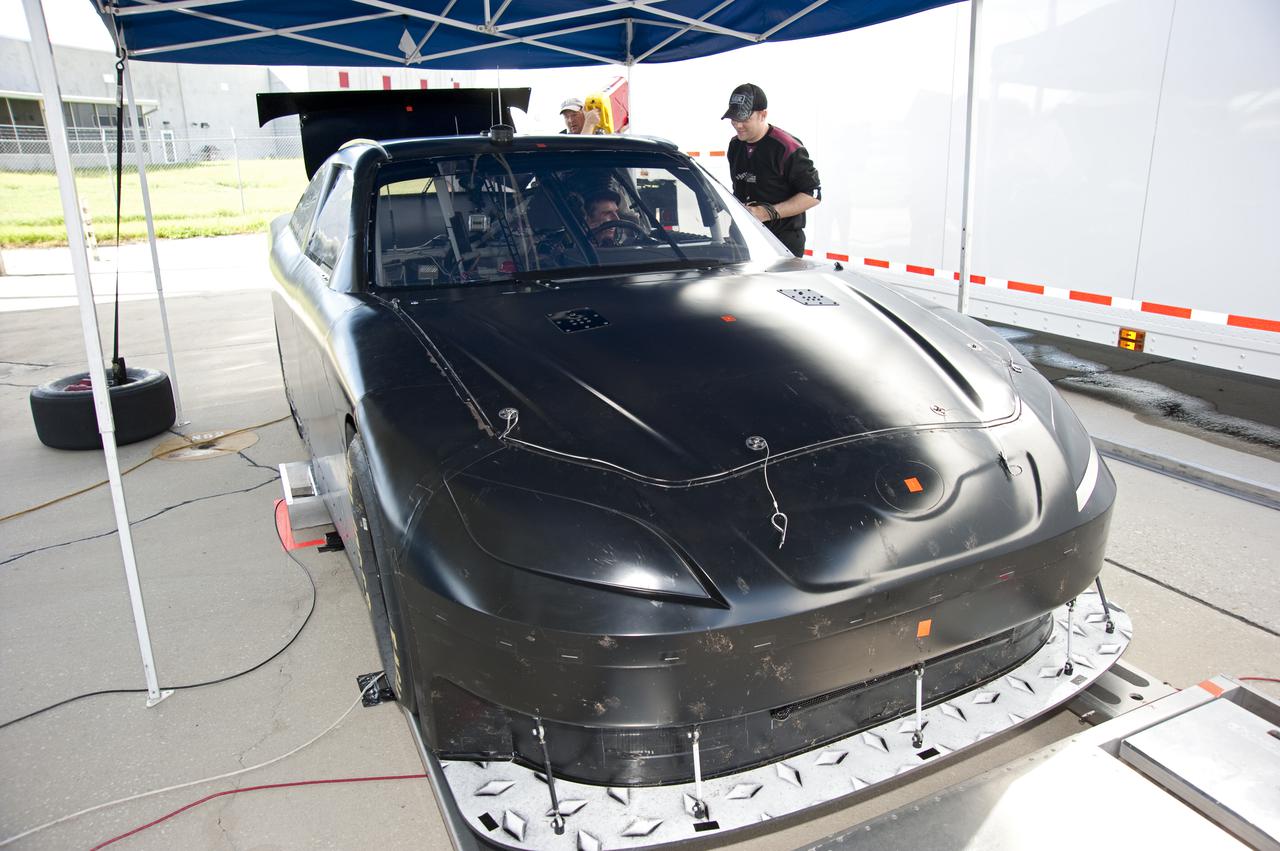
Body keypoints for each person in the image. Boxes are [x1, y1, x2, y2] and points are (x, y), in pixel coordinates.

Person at [722, 83, 821, 257]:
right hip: (744, 237)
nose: (737, 125)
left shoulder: (787, 147)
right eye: (734, 118)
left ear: (763, 115)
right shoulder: (735, 145)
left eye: (744, 119)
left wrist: (767, 213)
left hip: (782, 242)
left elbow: (813, 195)